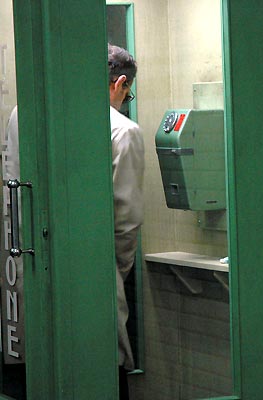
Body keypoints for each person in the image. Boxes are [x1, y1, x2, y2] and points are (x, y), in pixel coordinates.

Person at [108, 43, 144, 400]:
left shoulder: (19, 115)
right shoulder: (123, 130)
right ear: (120, 83)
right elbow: (126, 219)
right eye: (127, 94)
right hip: (99, 275)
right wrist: (117, 271)